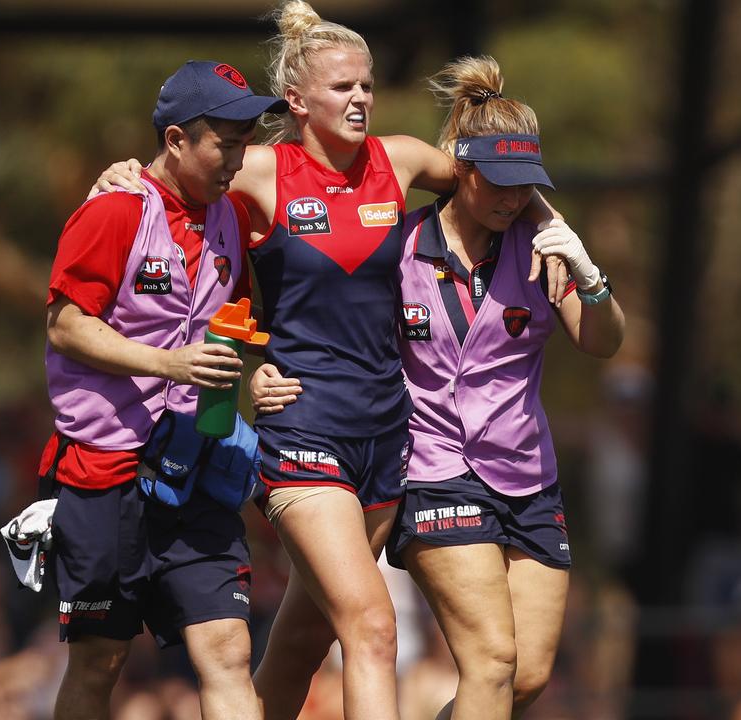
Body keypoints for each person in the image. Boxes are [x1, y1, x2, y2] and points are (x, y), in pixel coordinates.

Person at [94, 5, 570, 717]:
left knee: (301, 643)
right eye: (343, 87)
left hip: (385, 432)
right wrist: (125, 174)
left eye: (368, 86)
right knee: (373, 628)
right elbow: (173, 187)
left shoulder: (402, 158)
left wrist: (555, 228)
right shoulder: (258, 171)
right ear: (297, 100)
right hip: (303, 430)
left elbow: (494, 177)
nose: (360, 100)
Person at [258, 56, 624, 719]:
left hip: (527, 474)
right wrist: (257, 360)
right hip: (431, 470)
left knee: (527, 677)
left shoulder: (541, 248)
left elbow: (601, 341)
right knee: (490, 657)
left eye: (527, 187)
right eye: (501, 183)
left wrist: (589, 271)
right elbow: (311, 301)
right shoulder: (395, 246)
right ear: (462, 168)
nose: (513, 199)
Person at [39, 59, 286, 719]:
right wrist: (168, 363)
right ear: (176, 141)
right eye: (224, 142)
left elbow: (231, 328)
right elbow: (65, 326)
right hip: (104, 476)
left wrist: (253, 372)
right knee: (101, 660)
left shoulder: (232, 215)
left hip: (197, 473)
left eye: (245, 141)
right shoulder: (114, 211)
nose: (238, 157)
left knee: (229, 649)